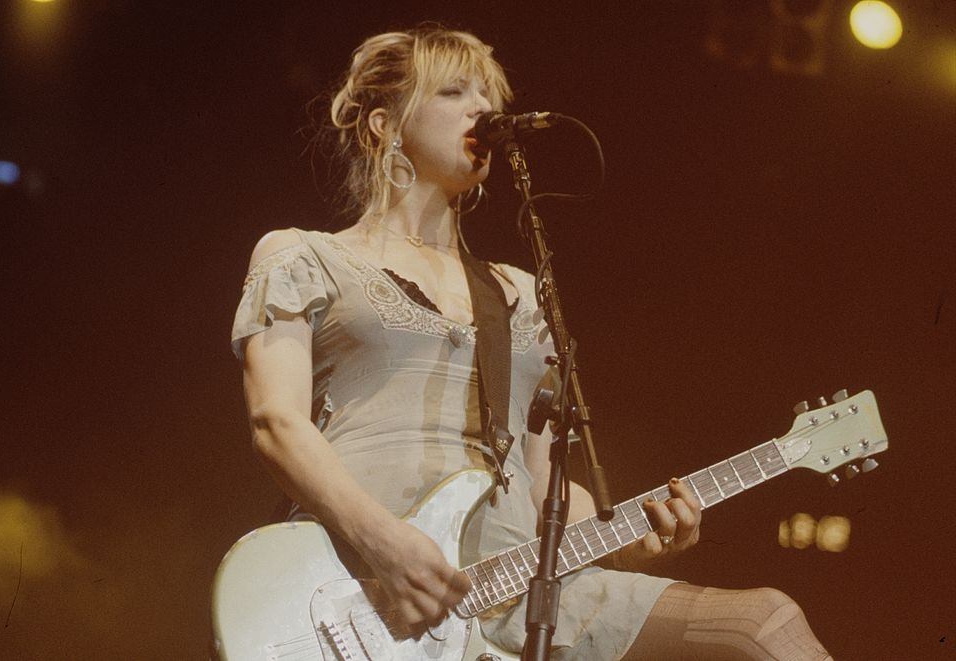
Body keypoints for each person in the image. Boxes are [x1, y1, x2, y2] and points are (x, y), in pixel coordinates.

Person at [231, 25, 832, 659]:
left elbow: (545, 486)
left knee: (764, 623)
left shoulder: (520, 293)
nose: (482, 111)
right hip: (357, 582)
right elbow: (276, 422)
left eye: (488, 97)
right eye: (454, 92)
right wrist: (386, 544)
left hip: (517, 584)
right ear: (384, 124)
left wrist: (632, 535)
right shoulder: (304, 255)